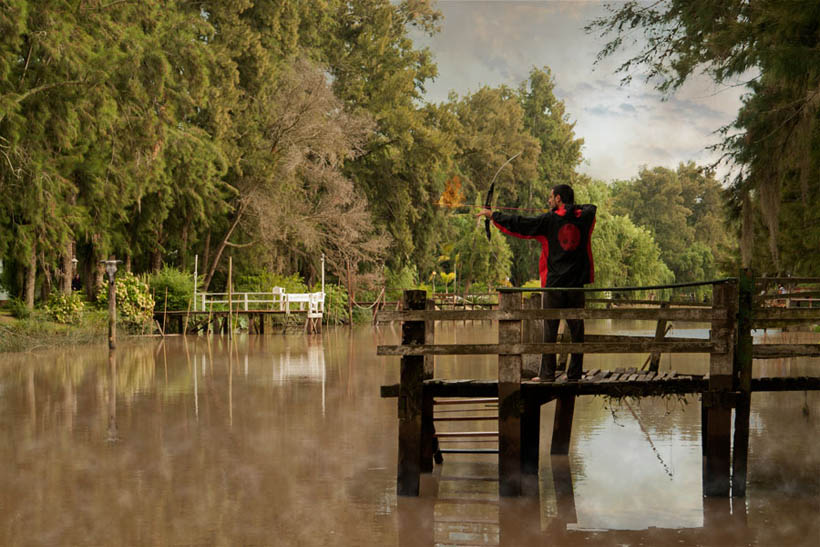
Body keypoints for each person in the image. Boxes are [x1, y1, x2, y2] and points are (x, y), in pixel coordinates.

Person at [477, 184, 597, 381]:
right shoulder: (583, 218)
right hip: (576, 285)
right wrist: (570, 209)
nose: (549, 201)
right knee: (577, 330)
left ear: (558, 199)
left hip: (554, 286)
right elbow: (591, 208)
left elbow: (521, 223)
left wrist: (493, 216)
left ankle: (547, 375)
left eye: (551, 198)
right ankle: (574, 374)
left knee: (550, 330)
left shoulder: (549, 220)